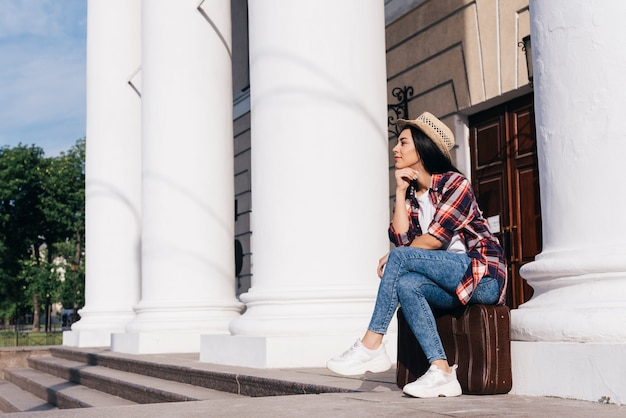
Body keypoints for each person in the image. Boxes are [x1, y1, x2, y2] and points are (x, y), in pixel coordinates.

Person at [326, 112, 507, 398]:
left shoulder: (454, 184)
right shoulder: (412, 196)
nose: (395, 149)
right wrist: (399, 191)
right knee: (407, 283)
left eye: (403, 143)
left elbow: (433, 241)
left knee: (399, 258)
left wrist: (400, 255)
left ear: (423, 147)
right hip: (452, 282)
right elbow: (402, 239)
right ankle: (442, 371)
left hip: (481, 276)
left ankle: (372, 343)